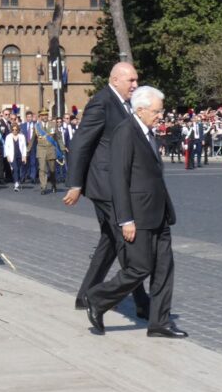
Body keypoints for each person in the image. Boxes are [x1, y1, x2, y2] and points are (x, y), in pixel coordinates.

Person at [85, 86, 186, 339]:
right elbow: (118, 179)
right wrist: (125, 219)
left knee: (164, 268)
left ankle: (159, 322)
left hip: (159, 212)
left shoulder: (149, 132)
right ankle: (97, 298)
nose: (160, 115)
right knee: (139, 268)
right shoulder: (125, 132)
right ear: (140, 110)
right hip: (138, 216)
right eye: (156, 111)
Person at [64, 62, 150, 316]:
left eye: (136, 80)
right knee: (126, 239)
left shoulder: (124, 104)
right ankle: (142, 302)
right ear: (115, 80)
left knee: (110, 242)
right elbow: (81, 142)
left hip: (116, 182)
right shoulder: (102, 102)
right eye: (130, 81)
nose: (135, 85)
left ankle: (85, 295)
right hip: (104, 185)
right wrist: (75, 184)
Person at [35, 107, 64, 194]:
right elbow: (33, 139)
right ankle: (43, 187)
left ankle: (53, 184)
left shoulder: (53, 124)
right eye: (43, 115)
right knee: (42, 168)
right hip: (41, 149)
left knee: (52, 170)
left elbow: (58, 137)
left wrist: (62, 147)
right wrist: (27, 150)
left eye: (46, 115)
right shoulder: (37, 126)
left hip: (51, 149)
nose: (44, 116)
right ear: (40, 116)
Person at [3, 123, 27, 191]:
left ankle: (17, 180)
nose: (14, 131)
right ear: (11, 130)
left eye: (16, 130)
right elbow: (6, 147)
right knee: (15, 168)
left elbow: (24, 147)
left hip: (20, 155)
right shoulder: (8, 137)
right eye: (13, 130)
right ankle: (16, 184)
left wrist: (24, 156)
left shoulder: (22, 136)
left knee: (18, 169)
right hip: (12, 156)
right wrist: (7, 155)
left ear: (18, 130)